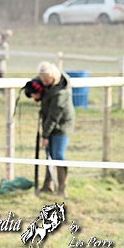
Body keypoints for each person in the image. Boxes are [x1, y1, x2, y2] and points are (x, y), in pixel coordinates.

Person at [34, 61, 75, 198]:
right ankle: (48, 185)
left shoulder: (60, 94)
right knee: (49, 155)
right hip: (50, 122)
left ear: (53, 78)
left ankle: (62, 188)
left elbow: (53, 117)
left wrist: (45, 136)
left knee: (58, 155)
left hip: (61, 125)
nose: (43, 83)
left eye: (46, 80)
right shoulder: (49, 84)